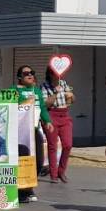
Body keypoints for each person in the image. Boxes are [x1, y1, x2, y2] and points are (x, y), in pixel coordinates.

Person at [15, 65, 53, 202]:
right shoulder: (13, 91)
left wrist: (47, 121)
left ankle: (29, 186)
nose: (30, 75)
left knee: (38, 161)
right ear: (19, 77)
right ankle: (22, 191)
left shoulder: (36, 91)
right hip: (20, 131)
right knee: (22, 160)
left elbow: (42, 108)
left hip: (35, 129)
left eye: (32, 73)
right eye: (26, 73)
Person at [41, 67, 75, 183]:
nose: (58, 75)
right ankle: (54, 174)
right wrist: (55, 92)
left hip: (64, 114)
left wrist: (71, 95)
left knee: (68, 144)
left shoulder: (64, 83)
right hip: (52, 114)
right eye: (55, 73)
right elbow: (45, 104)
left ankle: (61, 171)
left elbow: (72, 100)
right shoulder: (44, 86)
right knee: (52, 146)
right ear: (50, 74)